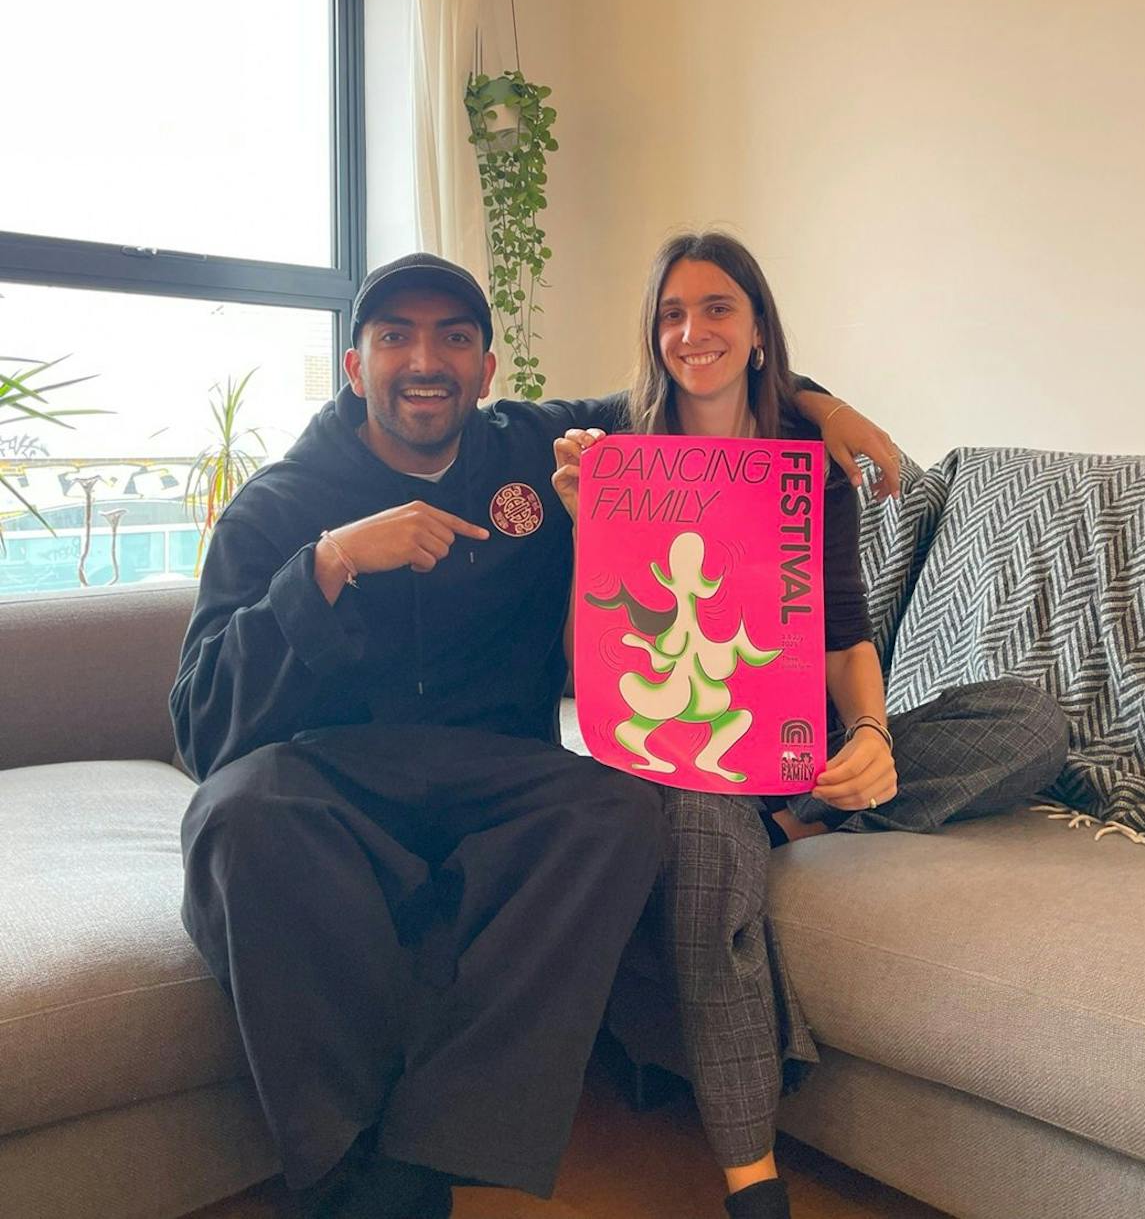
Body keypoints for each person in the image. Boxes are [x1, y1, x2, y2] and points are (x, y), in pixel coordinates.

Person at [170, 250, 899, 1219]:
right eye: (395, 337)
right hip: (332, 776)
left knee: (620, 812)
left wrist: (823, 409)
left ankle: (431, 1145)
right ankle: (345, 1169)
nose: (423, 360)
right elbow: (201, 723)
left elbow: (692, 373)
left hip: (498, 773)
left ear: (486, 368)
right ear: (355, 365)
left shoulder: (534, 446)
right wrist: (329, 565)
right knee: (236, 817)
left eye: (452, 338)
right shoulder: (279, 506)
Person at [551, 231, 1070, 1219]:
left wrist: (871, 735)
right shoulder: (625, 455)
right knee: (708, 853)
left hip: (797, 746)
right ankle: (754, 1183)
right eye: (671, 313)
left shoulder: (805, 463)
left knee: (1033, 720)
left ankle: (802, 817)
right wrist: (593, 532)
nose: (691, 331)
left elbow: (843, 632)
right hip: (690, 751)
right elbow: (593, 667)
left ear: (758, 331)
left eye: (717, 308)